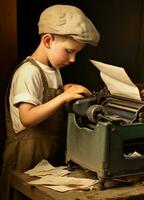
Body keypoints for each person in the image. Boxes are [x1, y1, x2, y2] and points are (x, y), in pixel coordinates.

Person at [0, 4, 100, 200]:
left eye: (76, 53)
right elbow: (27, 117)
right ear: (47, 40)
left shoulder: (53, 70)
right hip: (23, 163)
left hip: (45, 165)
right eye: (69, 51)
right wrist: (63, 97)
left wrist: (63, 89)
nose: (72, 59)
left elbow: (44, 97)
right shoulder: (28, 72)